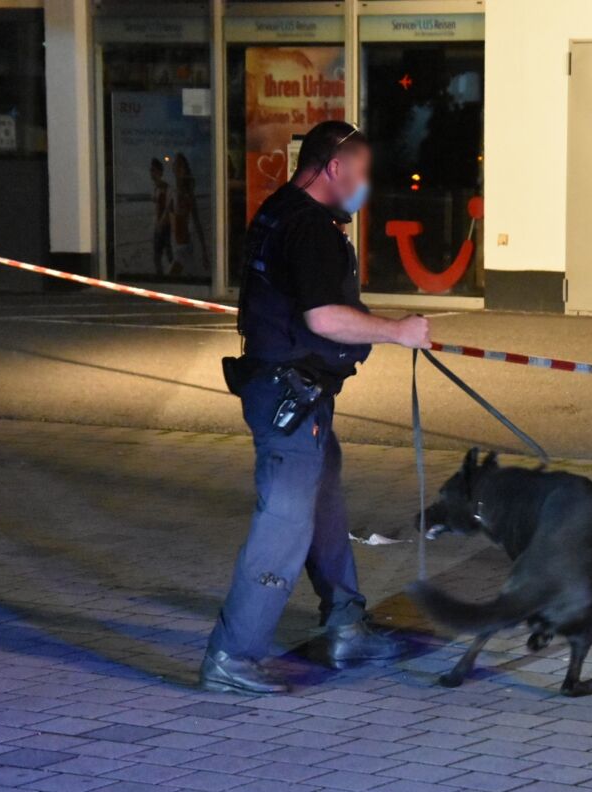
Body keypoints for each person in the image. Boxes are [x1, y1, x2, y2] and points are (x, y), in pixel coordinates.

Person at [200, 121, 431, 694]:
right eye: (361, 173)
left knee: (324, 504)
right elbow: (323, 317)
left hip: (294, 393)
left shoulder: (281, 210)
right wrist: (397, 330)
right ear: (334, 167)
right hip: (289, 397)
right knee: (284, 523)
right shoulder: (308, 229)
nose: (365, 186)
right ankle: (232, 656)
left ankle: (345, 625)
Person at [168, 152, 210, 276]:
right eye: (176, 165)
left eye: (181, 166)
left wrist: (204, 251)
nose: (178, 168)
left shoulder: (187, 195)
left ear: (185, 169)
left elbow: (197, 222)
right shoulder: (174, 193)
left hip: (184, 248)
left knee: (172, 277)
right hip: (177, 246)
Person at [149, 158, 172, 276]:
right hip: (160, 224)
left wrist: (161, 222)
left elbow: (167, 207)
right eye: (151, 170)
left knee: (164, 254)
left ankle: (166, 276)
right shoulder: (157, 187)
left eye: (153, 170)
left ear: (159, 172)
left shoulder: (164, 187)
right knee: (160, 255)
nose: (151, 173)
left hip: (164, 225)